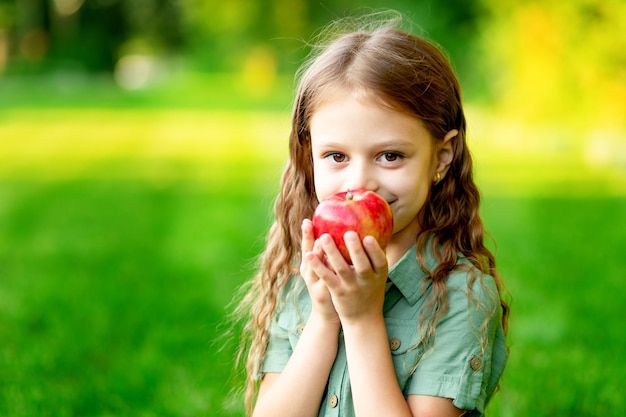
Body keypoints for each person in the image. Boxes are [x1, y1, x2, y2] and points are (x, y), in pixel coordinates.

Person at [235, 12, 510, 417]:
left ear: (442, 157)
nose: (360, 181)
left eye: (390, 155)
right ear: (309, 157)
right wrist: (326, 318)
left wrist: (363, 321)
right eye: (336, 156)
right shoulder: (304, 277)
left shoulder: (459, 298)